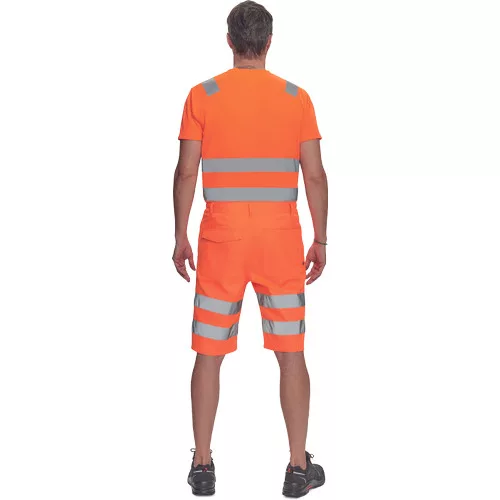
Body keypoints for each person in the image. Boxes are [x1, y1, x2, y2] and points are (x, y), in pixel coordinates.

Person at [173, 1, 328, 496]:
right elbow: (314, 175)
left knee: (208, 353)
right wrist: (320, 238)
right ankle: (298, 466)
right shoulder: (296, 98)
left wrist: (179, 234)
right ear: (269, 42)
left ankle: (202, 464)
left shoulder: (202, 95)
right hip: (280, 240)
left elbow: (186, 171)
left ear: (229, 41)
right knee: (291, 353)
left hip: (220, 239)